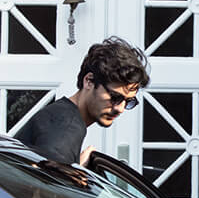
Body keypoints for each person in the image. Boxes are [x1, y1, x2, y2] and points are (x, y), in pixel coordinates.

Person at [15, 36, 150, 166]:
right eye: (115, 97)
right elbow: (45, 186)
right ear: (89, 81)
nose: (120, 108)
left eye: (128, 101)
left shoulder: (60, 115)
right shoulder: (67, 129)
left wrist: (74, 168)